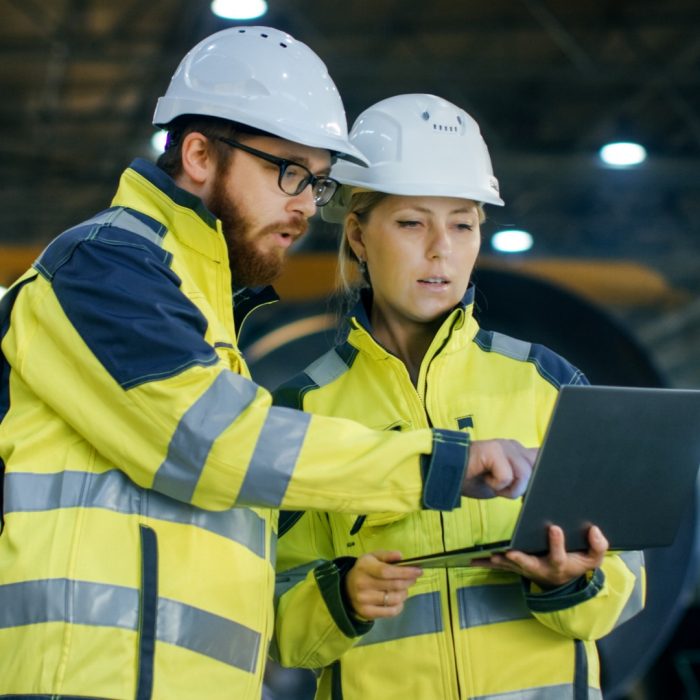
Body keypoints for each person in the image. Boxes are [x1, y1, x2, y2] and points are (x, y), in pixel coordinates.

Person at [0, 30, 537, 700]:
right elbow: (215, 442)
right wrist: (440, 463)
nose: (308, 205)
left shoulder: (202, 304)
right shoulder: (105, 269)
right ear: (198, 154)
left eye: (316, 181)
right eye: (288, 172)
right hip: (87, 677)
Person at [272, 94, 645, 699]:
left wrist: (568, 580)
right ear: (359, 236)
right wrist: (340, 597)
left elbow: (622, 590)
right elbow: (274, 617)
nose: (441, 248)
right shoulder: (304, 410)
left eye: (463, 223)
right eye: (412, 222)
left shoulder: (548, 383)